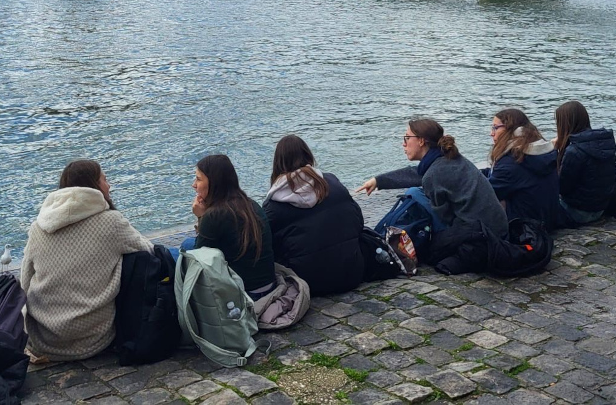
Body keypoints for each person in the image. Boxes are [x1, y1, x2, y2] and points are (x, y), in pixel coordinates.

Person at [20, 160, 152, 362]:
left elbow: (25, 280)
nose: (109, 185)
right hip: (93, 338)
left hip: (44, 339)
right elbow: (148, 250)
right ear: (94, 185)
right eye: (105, 179)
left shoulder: (38, 227)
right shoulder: (111, 221)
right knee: (136, 258)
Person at [358, 118, 507, 255]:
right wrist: (379, 181)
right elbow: (417, 173)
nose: (404, 143)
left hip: (481, 236)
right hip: (498, 229)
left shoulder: (433, 174)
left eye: (407, 138)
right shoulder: (449, 158)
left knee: (413, 193)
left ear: (421, 141)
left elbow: (445, 217)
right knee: (416, 192)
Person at [262, 135, 364, 296]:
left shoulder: (273, 205)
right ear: (308, 156)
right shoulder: (332, 183)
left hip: (308, 283)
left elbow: (268, 249)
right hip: (351, 273)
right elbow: (358, 222)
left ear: (277, 164)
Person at [189, 154, 276, 298]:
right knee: (188, 244)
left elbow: (199, 262)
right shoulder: (251, 204)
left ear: (213, 182)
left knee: (179, 253)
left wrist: (201, 217)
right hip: (269, 284)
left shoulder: (214, 215)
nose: (194, 185)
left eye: (198, 179)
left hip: (245, 294)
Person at [485, 109, 559, 227]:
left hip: (525, 226)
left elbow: (488, 194)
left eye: (495, 127)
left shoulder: (511, 161)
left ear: (510, 129)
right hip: (549, 219)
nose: (491, 133)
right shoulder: (544, 153)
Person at [552, 101, 616, 227]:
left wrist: (554, 152)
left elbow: (562, 188)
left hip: (578, 212)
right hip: (601, 208)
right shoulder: (605, 143)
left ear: (564, 124)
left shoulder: (574, 151)